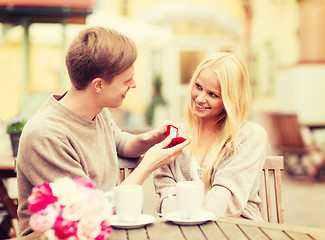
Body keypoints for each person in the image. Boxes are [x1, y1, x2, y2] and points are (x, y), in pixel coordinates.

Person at [16, 26, 190, 236]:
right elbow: (90, 211)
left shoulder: (97, 111)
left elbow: (120, 144)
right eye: (127, 80)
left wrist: (148, 139)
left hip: (109, 229)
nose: (134, 84)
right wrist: (149, 164)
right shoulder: (46, 136)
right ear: (98, 85)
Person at [154, 52, 267, 220]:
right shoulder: (176, 133)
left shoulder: (248, 136)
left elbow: (226, 194)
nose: (199, 98)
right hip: (182, 227)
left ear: (230, 100)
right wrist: (177, 222)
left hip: (235, 228)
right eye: (198, 86)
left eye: (212, 94)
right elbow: (166, 188)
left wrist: (199, 227)